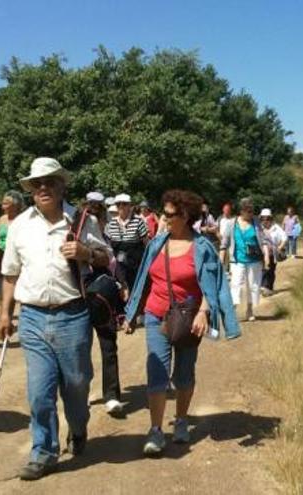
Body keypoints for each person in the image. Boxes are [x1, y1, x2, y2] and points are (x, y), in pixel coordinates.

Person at [0, 157, 111, 480]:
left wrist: (87, 254)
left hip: (73, 315)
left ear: (62, 184)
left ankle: (78, 427)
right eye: (37, 184)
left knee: (76, 384)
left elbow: (107, 258)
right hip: (32, 316)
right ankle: (43, 451)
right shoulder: (19, 224)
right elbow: (10, 274)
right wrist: (6, 314)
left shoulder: (82, 219)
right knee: (39, 390)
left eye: (49, 181)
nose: (43, 188)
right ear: (32, 190)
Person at [122, 189, 240, 456]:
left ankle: (182, 420)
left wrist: (204, 312)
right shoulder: (157, 243)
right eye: (163, 213)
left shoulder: (203, 248)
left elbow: (212, 285)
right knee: (157, 373)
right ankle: (155, 430)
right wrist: (132, 314)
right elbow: (143, 280)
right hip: (155, 315)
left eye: (169, 215)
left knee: (184, 374)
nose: (164, 218)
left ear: (185, 216)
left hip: (189, 318)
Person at [84, 191, 125, 415]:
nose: (95, 222)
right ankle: (83, 392)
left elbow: (115, 265)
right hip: (81, 295)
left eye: (98, 218)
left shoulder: (107, 239)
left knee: (108, 345)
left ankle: (112, 395)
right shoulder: (76, 237)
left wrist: (123, 284)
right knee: (81, 349)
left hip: (105, 298)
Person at [227, 198, 269, 322]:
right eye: (248, 211)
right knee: (236, 284)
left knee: (253, 285)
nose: (251, 214)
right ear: (242, 211)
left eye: (252, 211)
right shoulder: (232, 223)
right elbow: (224, 243)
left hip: (254, 260)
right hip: (237, 260)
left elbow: (264, 241)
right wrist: (221, 258)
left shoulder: (256, 223)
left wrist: (266, 256)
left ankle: (249, 310)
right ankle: (232, 312)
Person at [105, 193, 149, 291]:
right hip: (118, 266)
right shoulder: (112, 223)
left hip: (135, 265)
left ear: (130, 206)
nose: (121, 206)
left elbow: (146, 243)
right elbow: (108, 244)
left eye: (124, 204)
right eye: (118, 204)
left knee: (135, 290)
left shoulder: (138, 221)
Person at [259, 209, 287, 296]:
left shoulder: (276, 228)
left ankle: (269, 287)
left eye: (267, 218)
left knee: (271, 270)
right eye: (263, 218)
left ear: (270, 218)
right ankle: (264, 286)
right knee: (263, 270)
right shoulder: (259, 228)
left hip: (272, 253)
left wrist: (280, 247)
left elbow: (285, 238)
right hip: (262, 253)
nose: (265, 220)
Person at [217, 202, 236, 270]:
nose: (226, 211)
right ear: (223, 210)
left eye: (228, 210)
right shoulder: (220, 218)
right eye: (225, 210)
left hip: (231, 241)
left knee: (230, 255)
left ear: (230, 210)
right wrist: (218, 234)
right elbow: (216, 228)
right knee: (222, 256)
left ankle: (230, 269)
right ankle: (222, 270)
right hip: (221, 240)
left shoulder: (234, 219)